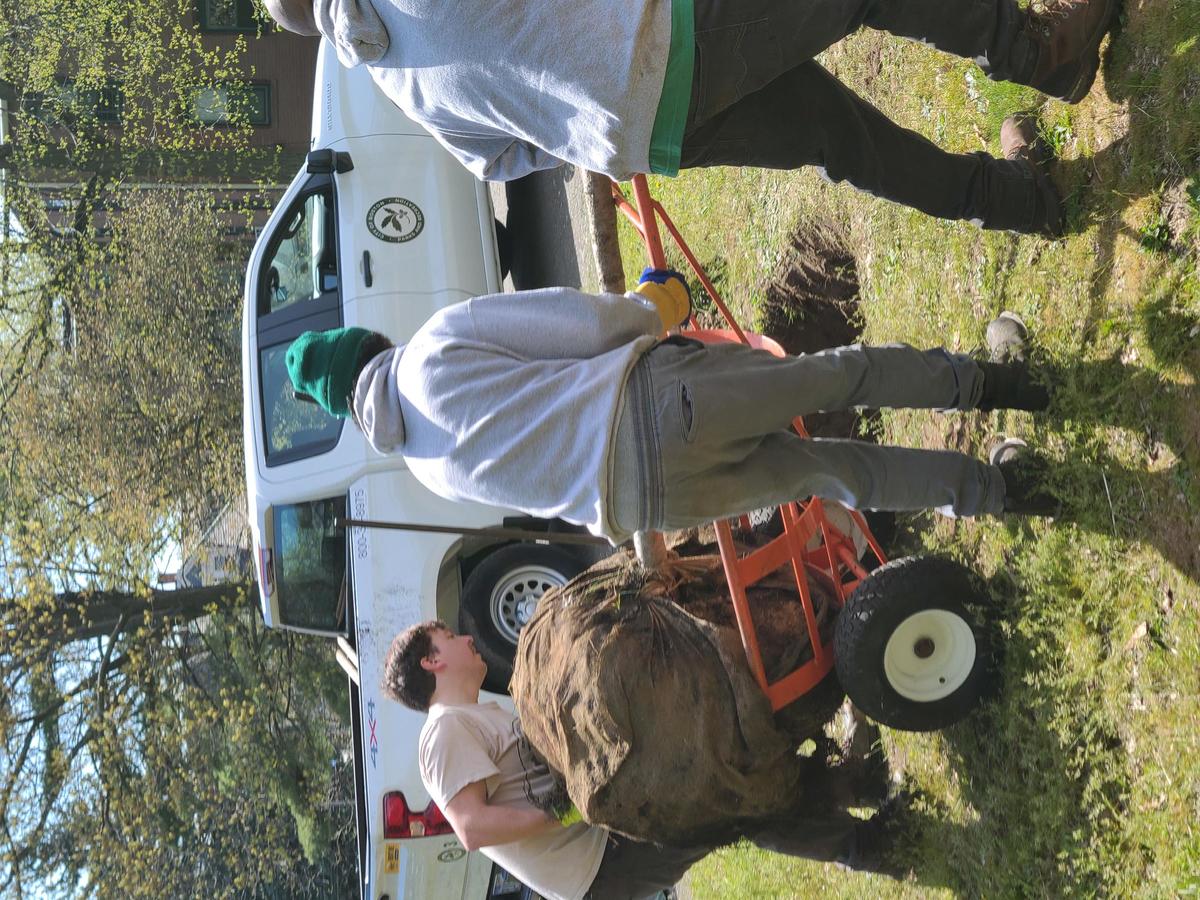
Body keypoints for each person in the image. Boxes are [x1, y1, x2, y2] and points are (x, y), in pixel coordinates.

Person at [284, 272, 1057, 547]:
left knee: (836, 472)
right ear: (370, 347)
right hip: (659, 410)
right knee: (836, 378)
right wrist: (656, 305)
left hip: (653, 503)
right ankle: (995, 382)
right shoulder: (429, 349)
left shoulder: (425, 471)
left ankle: (1000, 492)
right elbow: (584, 327)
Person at [263, 0, 1118, 235]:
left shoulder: (397, 83)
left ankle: (1023, 205)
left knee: (834, 137)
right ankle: (1038, 52)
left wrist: (575, 111)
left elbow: (503, 164)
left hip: (639, 131)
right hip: (661, 36)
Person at [382, 619, 901, 899]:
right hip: (597, 868)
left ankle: (859, 784)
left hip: (602, 833)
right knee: (728, 805)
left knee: (719, 780)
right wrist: (564, 810)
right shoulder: (444, 731)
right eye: (450, 637)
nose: (468, 637)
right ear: (433, 661)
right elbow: (471, 828)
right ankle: (875, 846)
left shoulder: (482, 713)